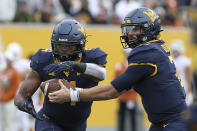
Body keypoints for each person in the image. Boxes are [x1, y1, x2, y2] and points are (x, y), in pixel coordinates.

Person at [48, 8, 188, 131]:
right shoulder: (156, 47)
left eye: (136, 29)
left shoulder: (146, 52)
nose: (130, 33)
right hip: (164, 122)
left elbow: (112, 90)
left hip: (173, 123)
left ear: (150, 28)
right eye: (129, 29)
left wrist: (73, 95)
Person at [14, 19, 107, 131]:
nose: (63, 51)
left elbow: (102, 74)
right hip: (49, 120)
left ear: (80, 45)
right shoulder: (44, 59)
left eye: (69, 47)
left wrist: (76, 66)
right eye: (60, 46)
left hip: (78, 124)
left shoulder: (91, 58)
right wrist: (23, 104)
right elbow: (20, 96)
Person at [114, 48, 140, 131]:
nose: (127, 55)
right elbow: (115, 80)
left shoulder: (136, 67)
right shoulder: (119, 66)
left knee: (133, 117)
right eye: (126, 53)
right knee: (121, 117)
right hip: (122, 96)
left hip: (132, 97)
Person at [0, 49, 21, 131]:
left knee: (9, 122)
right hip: (1, 100)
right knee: (2, 122)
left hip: (9, 101)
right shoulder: (3, 70)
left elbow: (17, 86)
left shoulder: (15, 72)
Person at [170, 40, 193, 106]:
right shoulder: (170, 60)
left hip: (183, 86)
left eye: (176, 50)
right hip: (173, 86)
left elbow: (188, 77)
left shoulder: (185, 61)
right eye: (173, 50)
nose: (174, 52)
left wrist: (189, 91)